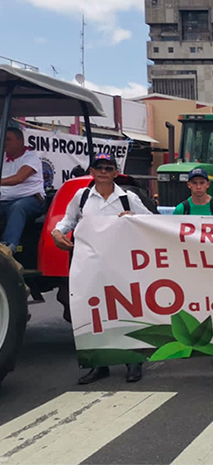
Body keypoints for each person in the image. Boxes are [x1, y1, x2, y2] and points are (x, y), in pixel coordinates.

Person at [51, 153, 152, 385]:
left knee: (127, 311)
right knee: (93, 312)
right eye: (99, 167)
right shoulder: (82, 196)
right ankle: (98, 365)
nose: (104, 172)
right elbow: (68, 220)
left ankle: (133, 362)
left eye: (108, 168)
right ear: (92, 172)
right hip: (90, 264)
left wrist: (134, 217)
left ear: (116, 172)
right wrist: (57, 232)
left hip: (122, 263)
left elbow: (150, 220)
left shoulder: (128, 198)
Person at [173, 168, 213, 366]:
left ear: (207, 185)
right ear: (189, 185)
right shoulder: (181, 209)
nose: (198, 186)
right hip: (189, 265)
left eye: (201, 183)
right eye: (194, 183)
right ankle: (191, 343)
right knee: (192, 304)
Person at [0, 127, 45, 253]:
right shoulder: (2, 157)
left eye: (8, 139)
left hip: (31, 201)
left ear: (20, 141)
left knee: (18, 207)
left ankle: (7, 248)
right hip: (4, 201)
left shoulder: (31, 158)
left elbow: (19, 178)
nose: (4, 142)